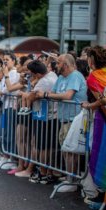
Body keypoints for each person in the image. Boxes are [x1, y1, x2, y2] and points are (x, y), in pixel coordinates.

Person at [36, 54, 87, 192]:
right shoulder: (60, 78)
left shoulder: (75, 76)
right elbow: (53, 93)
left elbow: (67, 96)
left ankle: (72, 180)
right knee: (65, 149)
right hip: (63, 118)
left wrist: (45, 95)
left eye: (58, 63)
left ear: (65, 64)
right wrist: (47, 94)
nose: (55, 65)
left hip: (74, 119)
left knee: (71, 150)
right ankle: (69, 176)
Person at [81, 46, 106, 204]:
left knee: (99, 154)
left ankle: (99, 196)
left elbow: (102, 101)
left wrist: (89, 106)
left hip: (102, 120)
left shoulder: (93, 77)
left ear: (91, 60)